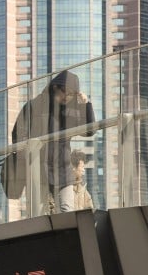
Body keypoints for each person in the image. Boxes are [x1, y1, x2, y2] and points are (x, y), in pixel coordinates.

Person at [10, 69, 96, 214]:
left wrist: (86, 104)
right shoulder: (34, 105)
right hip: (38, 169)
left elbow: (89, 130)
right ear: (55, 87)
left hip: (63, 169)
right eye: (65, 92)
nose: (67, 97)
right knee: (37, 215)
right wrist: (26, 155)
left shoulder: (69, 111)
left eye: (71, 95)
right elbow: (17, 133)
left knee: (67, 211)